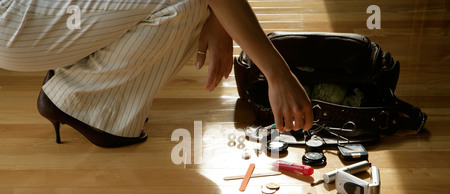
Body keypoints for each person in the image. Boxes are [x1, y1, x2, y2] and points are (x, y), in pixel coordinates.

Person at [0, 0, 313, 147]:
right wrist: (278, 76)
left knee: (202, 5)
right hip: (12, 19)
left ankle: (78, 83)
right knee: (188, 4)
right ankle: (77, 99)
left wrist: (219, 20)